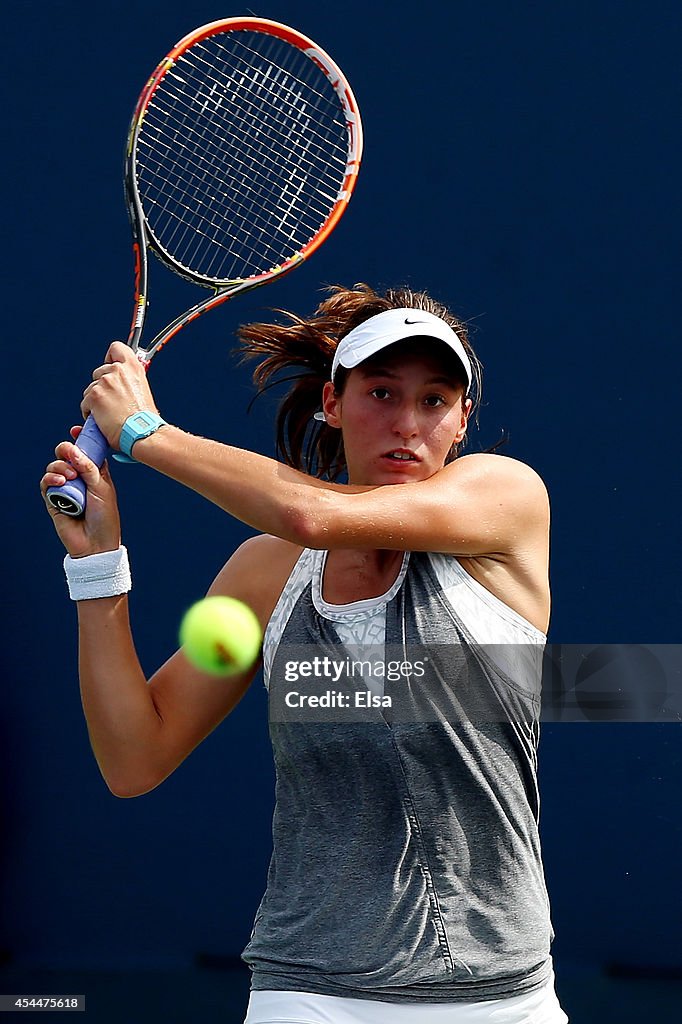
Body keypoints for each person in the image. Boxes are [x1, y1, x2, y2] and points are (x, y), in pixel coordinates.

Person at [41, 284, 568, 1024]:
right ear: (331, 402)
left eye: (434, 400)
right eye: (381, 393)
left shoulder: (506, 500)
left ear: (462, 423)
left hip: (499, 999)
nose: (407, 424)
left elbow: (314, 513)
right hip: (308, 992)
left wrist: (142, 432)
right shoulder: (263, 574)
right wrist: (97, 569)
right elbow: (136, 755)